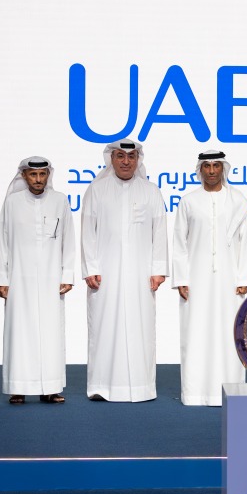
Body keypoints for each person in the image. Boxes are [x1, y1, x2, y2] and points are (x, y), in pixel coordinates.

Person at [80, 139, 168, 402]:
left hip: (142, 275)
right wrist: (90, 268)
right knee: (104, 326)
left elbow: (159, 231)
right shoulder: (96, 189)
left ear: (138, 159)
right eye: (121, 156)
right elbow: (87, 231)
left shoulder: (151, 191)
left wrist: (159, 269)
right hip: (104, 274)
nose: (126, 161)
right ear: (112, 159)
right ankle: (101, 386)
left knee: (141, 327)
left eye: (131, 156)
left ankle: (141, 387)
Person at [171, 150, 247, 406]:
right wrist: (181, 277)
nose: (211, 171)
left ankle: (229, 391)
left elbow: (246, 240)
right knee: (196, 332)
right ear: (200, 169)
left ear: (223, 168)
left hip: (230, 280)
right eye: (206, 166)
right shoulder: (189, 201)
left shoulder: (238, 200)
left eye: (216, 165)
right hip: (196, 279)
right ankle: (195, 393)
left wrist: (244, 276)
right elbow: (179, 243)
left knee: (230, 332)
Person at [0, 156, 75, 405]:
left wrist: (67, 274)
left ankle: (50, 387)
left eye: (43, 175)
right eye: (33, 175)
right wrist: (2, 278)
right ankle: (18, 386)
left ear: (48, 175)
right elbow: (3, 241)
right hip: (19, 278)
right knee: (19, 331)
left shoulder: (60, 200)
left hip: (52, 278)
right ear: (24, 176)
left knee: (51, 332)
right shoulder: (12, 202)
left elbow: (68, 240)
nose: (38, 180)